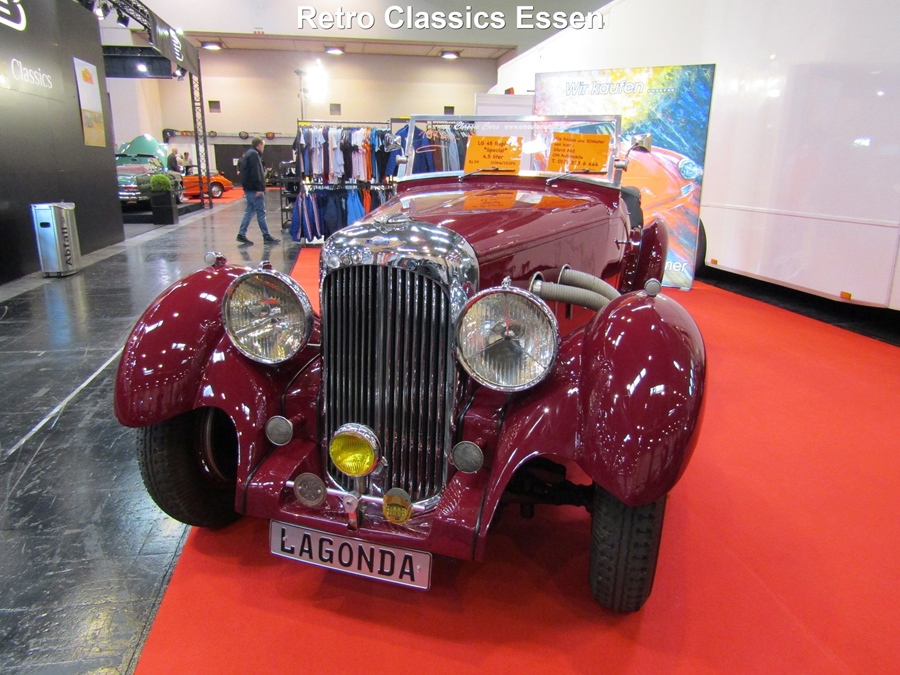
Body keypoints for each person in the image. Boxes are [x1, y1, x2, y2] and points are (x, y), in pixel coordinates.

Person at [236, 136, 279, 245]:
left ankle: (241, 234)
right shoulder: (254, 155)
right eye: (263, 145)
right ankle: (266, 236)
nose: (263, 148)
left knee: (249, 211)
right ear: (259, 145)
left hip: (249, 189)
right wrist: (259, 188)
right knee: (261, 212)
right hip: (254, 190)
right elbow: (256, 173)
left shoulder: (248, 154)